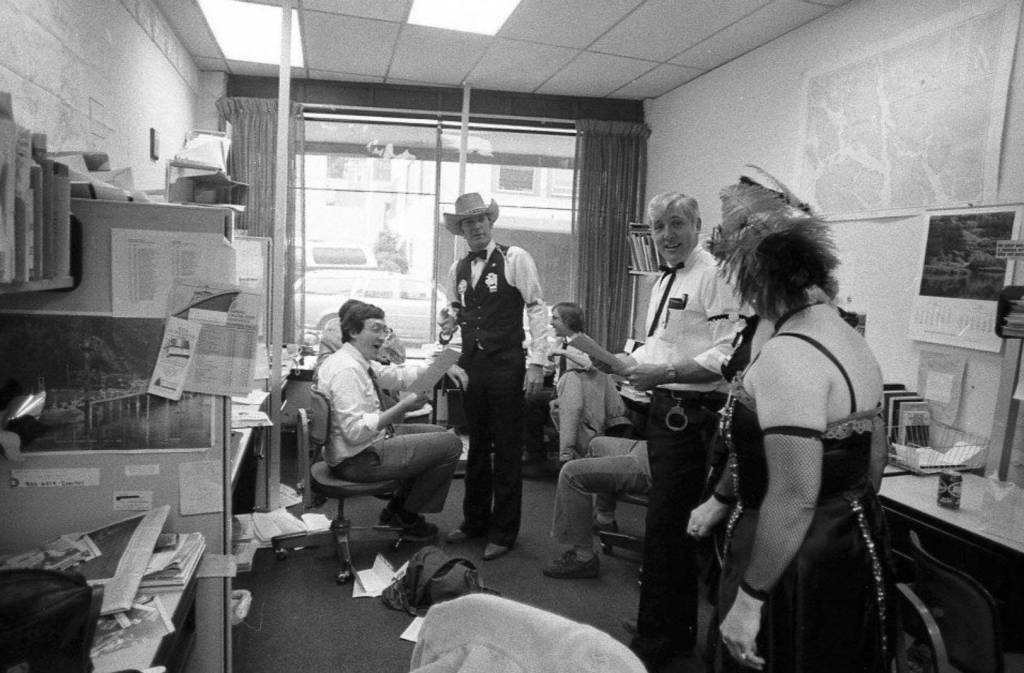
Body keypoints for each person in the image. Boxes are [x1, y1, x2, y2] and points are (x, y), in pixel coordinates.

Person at [689, 172, 893, 672]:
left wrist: (752, 601)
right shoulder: (845, 336)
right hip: (849, 542)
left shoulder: (790, 356)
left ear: (757, 274)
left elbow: (794, 495)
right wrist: (722, 500)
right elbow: (874, 459)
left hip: (788, 560)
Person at [606, 192, 747, 669]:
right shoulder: (661, 280)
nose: (667, 235)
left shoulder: (716, 276)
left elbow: (729, 354)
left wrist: (662, 375)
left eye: (677, 224)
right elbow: (660, 345)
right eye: (659, 227)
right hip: (666, 411)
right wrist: (625, 363)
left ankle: (662, 641)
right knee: (664, 528)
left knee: (672, 529)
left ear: (698, 225)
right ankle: (662, 628)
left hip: (695, 419)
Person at [438, 192, 549, 561]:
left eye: (481, 220)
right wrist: (448, 324)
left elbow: (536, 309)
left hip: (507, 365)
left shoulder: (514, 258)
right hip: (472, 368)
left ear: (491, 222)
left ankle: (504, 532)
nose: (475, 227)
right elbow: (456, 311)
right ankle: (474, 521)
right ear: (461, 230)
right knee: (476, 445)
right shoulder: (457, 268)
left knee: (505, 449)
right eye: (468, 223)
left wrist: (537, 362)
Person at [315, 302, 464, 539]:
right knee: (451, 445)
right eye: (376, 329)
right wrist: (402, 406)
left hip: (361, 448)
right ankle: (407, 516)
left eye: (385, 330)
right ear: (353, 331)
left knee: (437, 432)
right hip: (357, 460)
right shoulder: (347, 370)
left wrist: (444, 365)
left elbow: (397, 376)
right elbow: (355, 432)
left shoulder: (354, 360)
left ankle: (397, 508)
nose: (383, 337)